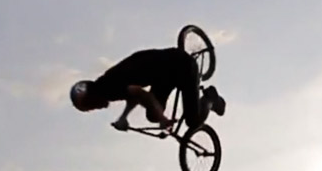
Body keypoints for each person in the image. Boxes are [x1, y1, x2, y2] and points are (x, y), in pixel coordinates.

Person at [69, 47, 224, 132]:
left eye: (90, 107)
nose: (94, 109)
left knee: (193, 121)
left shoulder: (108, 89)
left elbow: (142, 94)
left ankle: (210, 98)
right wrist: (124, 117)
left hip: (181, 66)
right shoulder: (105, 85)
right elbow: (132, 94)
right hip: (163, 75)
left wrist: (163, 119)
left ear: (92, 99)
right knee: (152, 115)